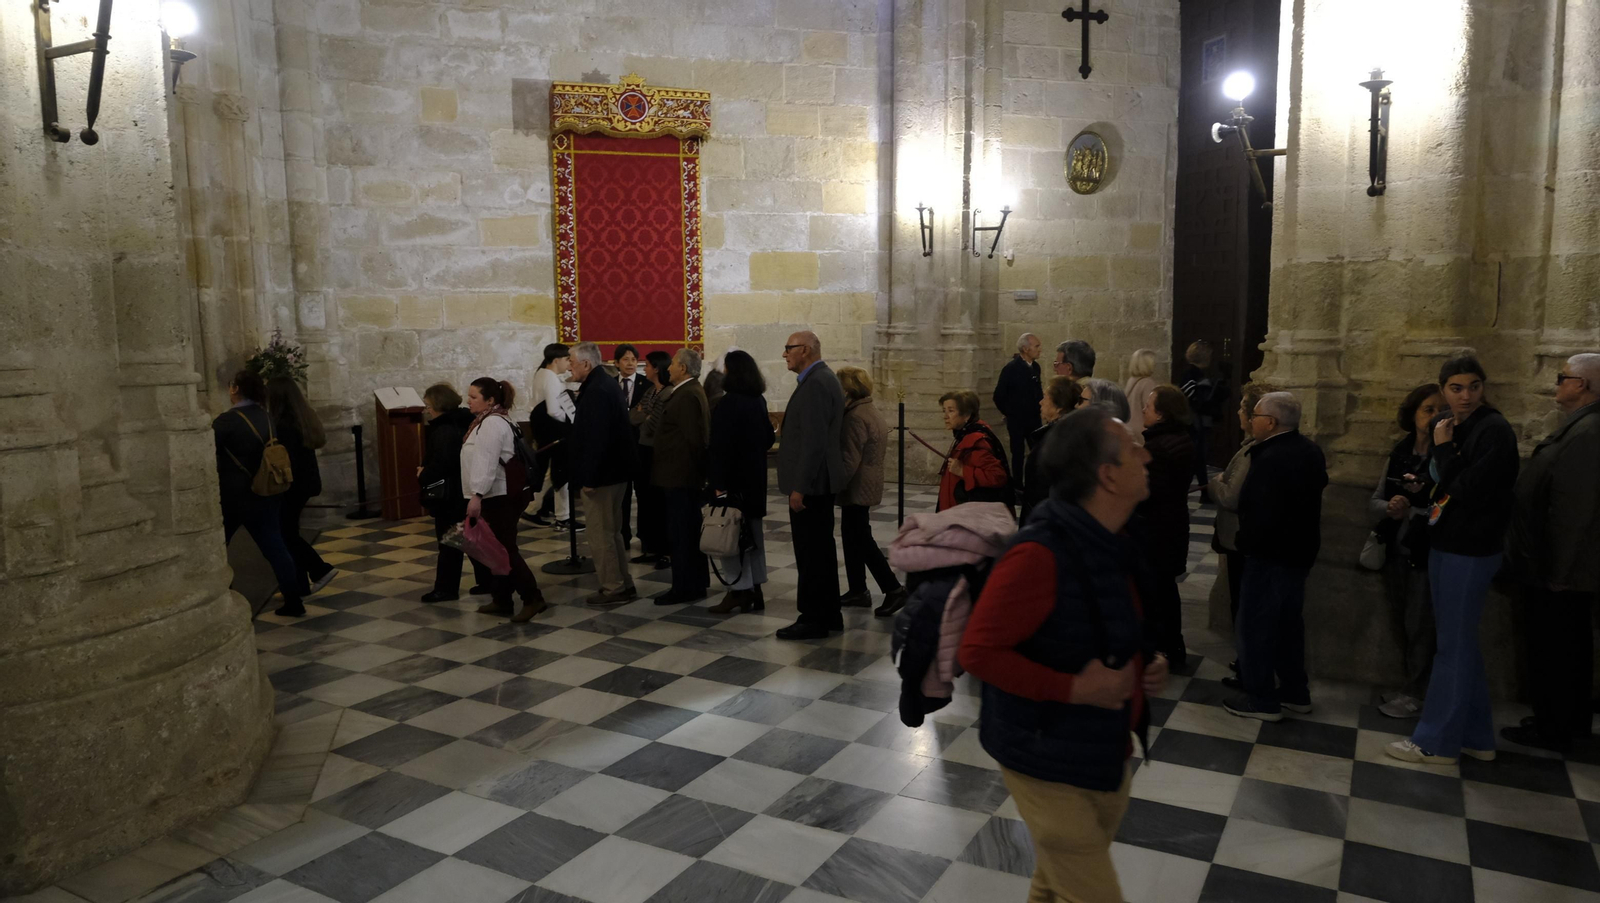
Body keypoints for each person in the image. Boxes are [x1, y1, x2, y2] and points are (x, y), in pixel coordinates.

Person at [959, 405, 1168, 903]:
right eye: (1134, 448)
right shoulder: (1039, 554)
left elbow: (1102, 621)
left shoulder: (1114, 538)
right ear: (1108, 475)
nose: (1147, 455)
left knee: (1056, 883)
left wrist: (1145, 662)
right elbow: (977, 651)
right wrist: (1074, 688)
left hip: (1100, 746)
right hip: (1046, 755)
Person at [1385, 356, 1518, 765]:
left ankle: (1436, 742)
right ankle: (1476, 737)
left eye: (1474, 386)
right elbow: (1442, 482)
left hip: (1471, 548)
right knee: (1458, 645)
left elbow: (1468, 487)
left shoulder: (1493, 429)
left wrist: (1443, 448)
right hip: (1447, 541)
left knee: (1452, 649)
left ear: (1483, 387)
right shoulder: (1453, 424)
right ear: (1444, 389)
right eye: (1456, 388)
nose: (1465, 396)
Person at [1502, 353, 1600, 751]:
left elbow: (1574, 510)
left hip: (1560, 569)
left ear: (1581, 385)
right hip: (1557, 564)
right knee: (1565, 644)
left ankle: (1554, 727)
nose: (1557, 383)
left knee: (1556, 648)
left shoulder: (1588, 431)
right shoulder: (1581, 426)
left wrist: (1559, 571)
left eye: (1563, 377)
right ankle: (1564, 719)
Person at [1224, 391, 1327, 722]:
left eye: (1255, 416)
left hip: (1269, 554)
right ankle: (1296, 693)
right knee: (1287, 625)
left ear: (1270, 422)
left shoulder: (1270, 457)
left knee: (1254, 626)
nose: (1251, 420)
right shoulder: (1309, 450)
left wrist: (1244, 542)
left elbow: (1258, 510)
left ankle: (1262, 699)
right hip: (1299, 552)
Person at [1369, 384, 1444, 719]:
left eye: (1441, 411)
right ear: (1413, 414)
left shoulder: (1445, 457)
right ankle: (1410, 687)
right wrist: (1391, 506)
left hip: (1426, 551)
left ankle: (1418, 693)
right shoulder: (1400, 452)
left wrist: (1411, 511)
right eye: (1428, 409)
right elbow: (1376, 500)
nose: (1435, 417)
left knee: (1421, 624)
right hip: (1397, 548)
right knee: (1403, 621)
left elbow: (1448, 507)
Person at [213, 370, 307, 617]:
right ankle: (293, 600)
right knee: (275, 545)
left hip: (235, 495)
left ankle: (221, 597)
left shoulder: (227, 421)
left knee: (216, 546)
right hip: (266, 489)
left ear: (235, 389)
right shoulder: (266, 416)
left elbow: (206, 450)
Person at [775, 330, 847, 640]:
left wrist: (800, 487)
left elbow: (814, 442)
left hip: (813, 486)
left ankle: (813, 618)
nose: (784, 354)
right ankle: (829, 614)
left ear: (805, 350)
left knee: (811, 553)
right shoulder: (819, 379)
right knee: (821, 551)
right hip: (818, 483)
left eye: (788, 348)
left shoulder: (817, 383)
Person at [462, 378, 547, 622]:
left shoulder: (491, 424)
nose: (468, 400)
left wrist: (476, 495)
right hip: (497, 493)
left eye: (474, 397)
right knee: (494, 549)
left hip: (497, 495)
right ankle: (501, 599)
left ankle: (532, 598)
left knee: (504, 550)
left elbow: (486, 463)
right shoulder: (492, 419)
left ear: (490, 400)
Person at [705, 350, 776, 614]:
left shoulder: (729, 403)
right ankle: (755, 588)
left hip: (732, 482)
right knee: (753, 536)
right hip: (754, 481)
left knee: (730, 535)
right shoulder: (757, 400)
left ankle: (738, 591)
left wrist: (718, 484)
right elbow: (768, 438)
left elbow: (719, 448)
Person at [568, 342, 639, 607]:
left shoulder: (597, 390)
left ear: (586, 364)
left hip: (603, 476)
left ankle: (613, 587)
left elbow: (596, 440)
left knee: (600, 534)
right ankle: (623, 583)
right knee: (612, 532)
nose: (569, 367)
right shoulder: (605, 383)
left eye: (572, 361)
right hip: (615, 472)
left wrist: (589, 478)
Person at [836, 366, 908, 617]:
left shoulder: (855, 416)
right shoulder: (869, 409)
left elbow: (849, 459)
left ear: (847, 390)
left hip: (856, 484)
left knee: (861, 539)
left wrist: (834, 485)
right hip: (867, 482)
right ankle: (858, 589)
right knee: (851, 535)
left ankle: (894, 589)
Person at [1137, 385, 1196, 667]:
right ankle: (1171, 645)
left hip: (1157, 529)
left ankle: (1163, 648)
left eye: (1148, 406)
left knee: (1156, 591)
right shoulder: (1180, 438)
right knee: (1165, 589)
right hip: (1171, 524)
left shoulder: (1158, 447)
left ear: (1161, 414)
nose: (1143, 410)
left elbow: (1149, 493)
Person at [417, 383, 490, 603]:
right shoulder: (464, 421)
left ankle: (446, 589)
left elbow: (443, 464)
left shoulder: (444, 430)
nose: (427, 410)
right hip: (464, 491)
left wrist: (423, 473)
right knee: (469, 538)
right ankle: (488, 581)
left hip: (450, 495)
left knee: (449, 542)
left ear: (439, 405)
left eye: (429, 405)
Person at [264, 377, 336, 597]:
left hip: (294, 486)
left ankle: (320, 569)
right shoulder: (302, 416)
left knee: (286, 535)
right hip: (305, 482)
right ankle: (300, 585)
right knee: (289, 531)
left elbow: (288, 461)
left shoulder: (282, 424)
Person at [651, 348, 711, 606]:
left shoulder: (687, 395)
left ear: (683, 368)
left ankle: (685, 587)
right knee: (685, 532)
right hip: (679, 477)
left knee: (682, 534)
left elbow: (694, 440)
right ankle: (693, 583)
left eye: (673, 363)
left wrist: (697, 476)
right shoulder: (687, 391)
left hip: (681, 478)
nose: (669, 367)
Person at [1207, 384, 1267, 632]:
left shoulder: (1250, 453)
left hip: (1240, 538)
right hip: (1242, 538)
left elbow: (1231, 497)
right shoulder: (1251, 448)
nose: (1238, 412)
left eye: (1243, 408)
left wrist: (1215, 483)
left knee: (1243, 604)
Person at [526, 344, 578, 530]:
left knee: (551, 473)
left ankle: (532, 509)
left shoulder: (542, 374)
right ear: (556, 360)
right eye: (567, 360)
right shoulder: (550, 378)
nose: (569, 364)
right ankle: (563, 517)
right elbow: (554, 410)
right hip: (554, 430)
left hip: (544, 430)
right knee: (560, 472)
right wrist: (572, 420)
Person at [631, 350, 673, 570]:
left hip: (657, 454)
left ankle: (665, 549)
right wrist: (642, 415)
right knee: (645, 500)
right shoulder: (650, 391)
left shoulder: (668, 393)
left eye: (646, 365)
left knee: (659, 502)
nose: (644, 368)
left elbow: (652, 425)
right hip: (643, 452)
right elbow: (632, 415)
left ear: (656, 368)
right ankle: (650, 546)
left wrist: (643, 416)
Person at [936, 390, 1011, 513]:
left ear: (967, 415)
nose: (945, 416)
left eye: (951, 411)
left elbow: (998, 476)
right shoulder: (964, 434)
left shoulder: (975, 442)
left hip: (969, 515)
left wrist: (963, 471)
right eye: (944, 410)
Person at [1022, 377, 1079, 520]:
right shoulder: (1058, 434)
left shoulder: (1058, 439)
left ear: (1059, 407)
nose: (1040, 402)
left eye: (1045, 397)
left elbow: (1044, 485)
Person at [993, 332, 1045, 486]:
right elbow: (998, 396)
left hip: (1034, 419)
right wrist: (1010, 413)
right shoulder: (1011, 369)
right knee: (1017, 453)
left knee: (1037, 452)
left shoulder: (1035, 367)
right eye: (1036, 346)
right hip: (1017, 420)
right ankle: (1017, 486)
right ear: (1025, 349)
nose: (1039, 349)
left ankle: (1036, 484)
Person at [615, 344, 648, 551]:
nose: (630, 363)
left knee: (643, 494)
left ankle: (646, 538)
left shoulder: (647, 385)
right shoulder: (610, 384)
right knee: (622, 496)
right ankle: (623, 536)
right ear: (616, 363)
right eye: (626, 359)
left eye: (634, 360)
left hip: (641, 446)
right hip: (619, 448)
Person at [1180, 340, 1221, 500]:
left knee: (1198, 458)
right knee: (1196, 457)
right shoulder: (1193, 375)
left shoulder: (1191, 374)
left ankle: (1203, 492)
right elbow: (1194, 399)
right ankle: (1188, 491)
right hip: (1195, 422)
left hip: (1195, 421)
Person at [1122, 349, 1158, 435]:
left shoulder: (1131, 380)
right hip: (1142, 429)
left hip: (1130, 427)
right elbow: (1151, 409)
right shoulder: (1147, 383)